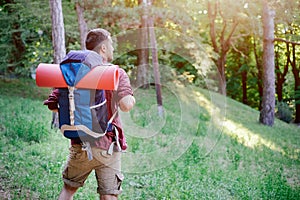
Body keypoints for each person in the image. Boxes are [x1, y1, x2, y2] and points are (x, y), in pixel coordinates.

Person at [44, 28, 135, 200]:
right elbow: (126, 105)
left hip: (80, 143)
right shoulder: (116, 72)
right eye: (111, 45)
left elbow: (53, 106)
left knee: (68, 190)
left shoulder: (71, 73)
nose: (113, 49)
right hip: (107, 145)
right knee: (109, 196)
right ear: (103, 49)